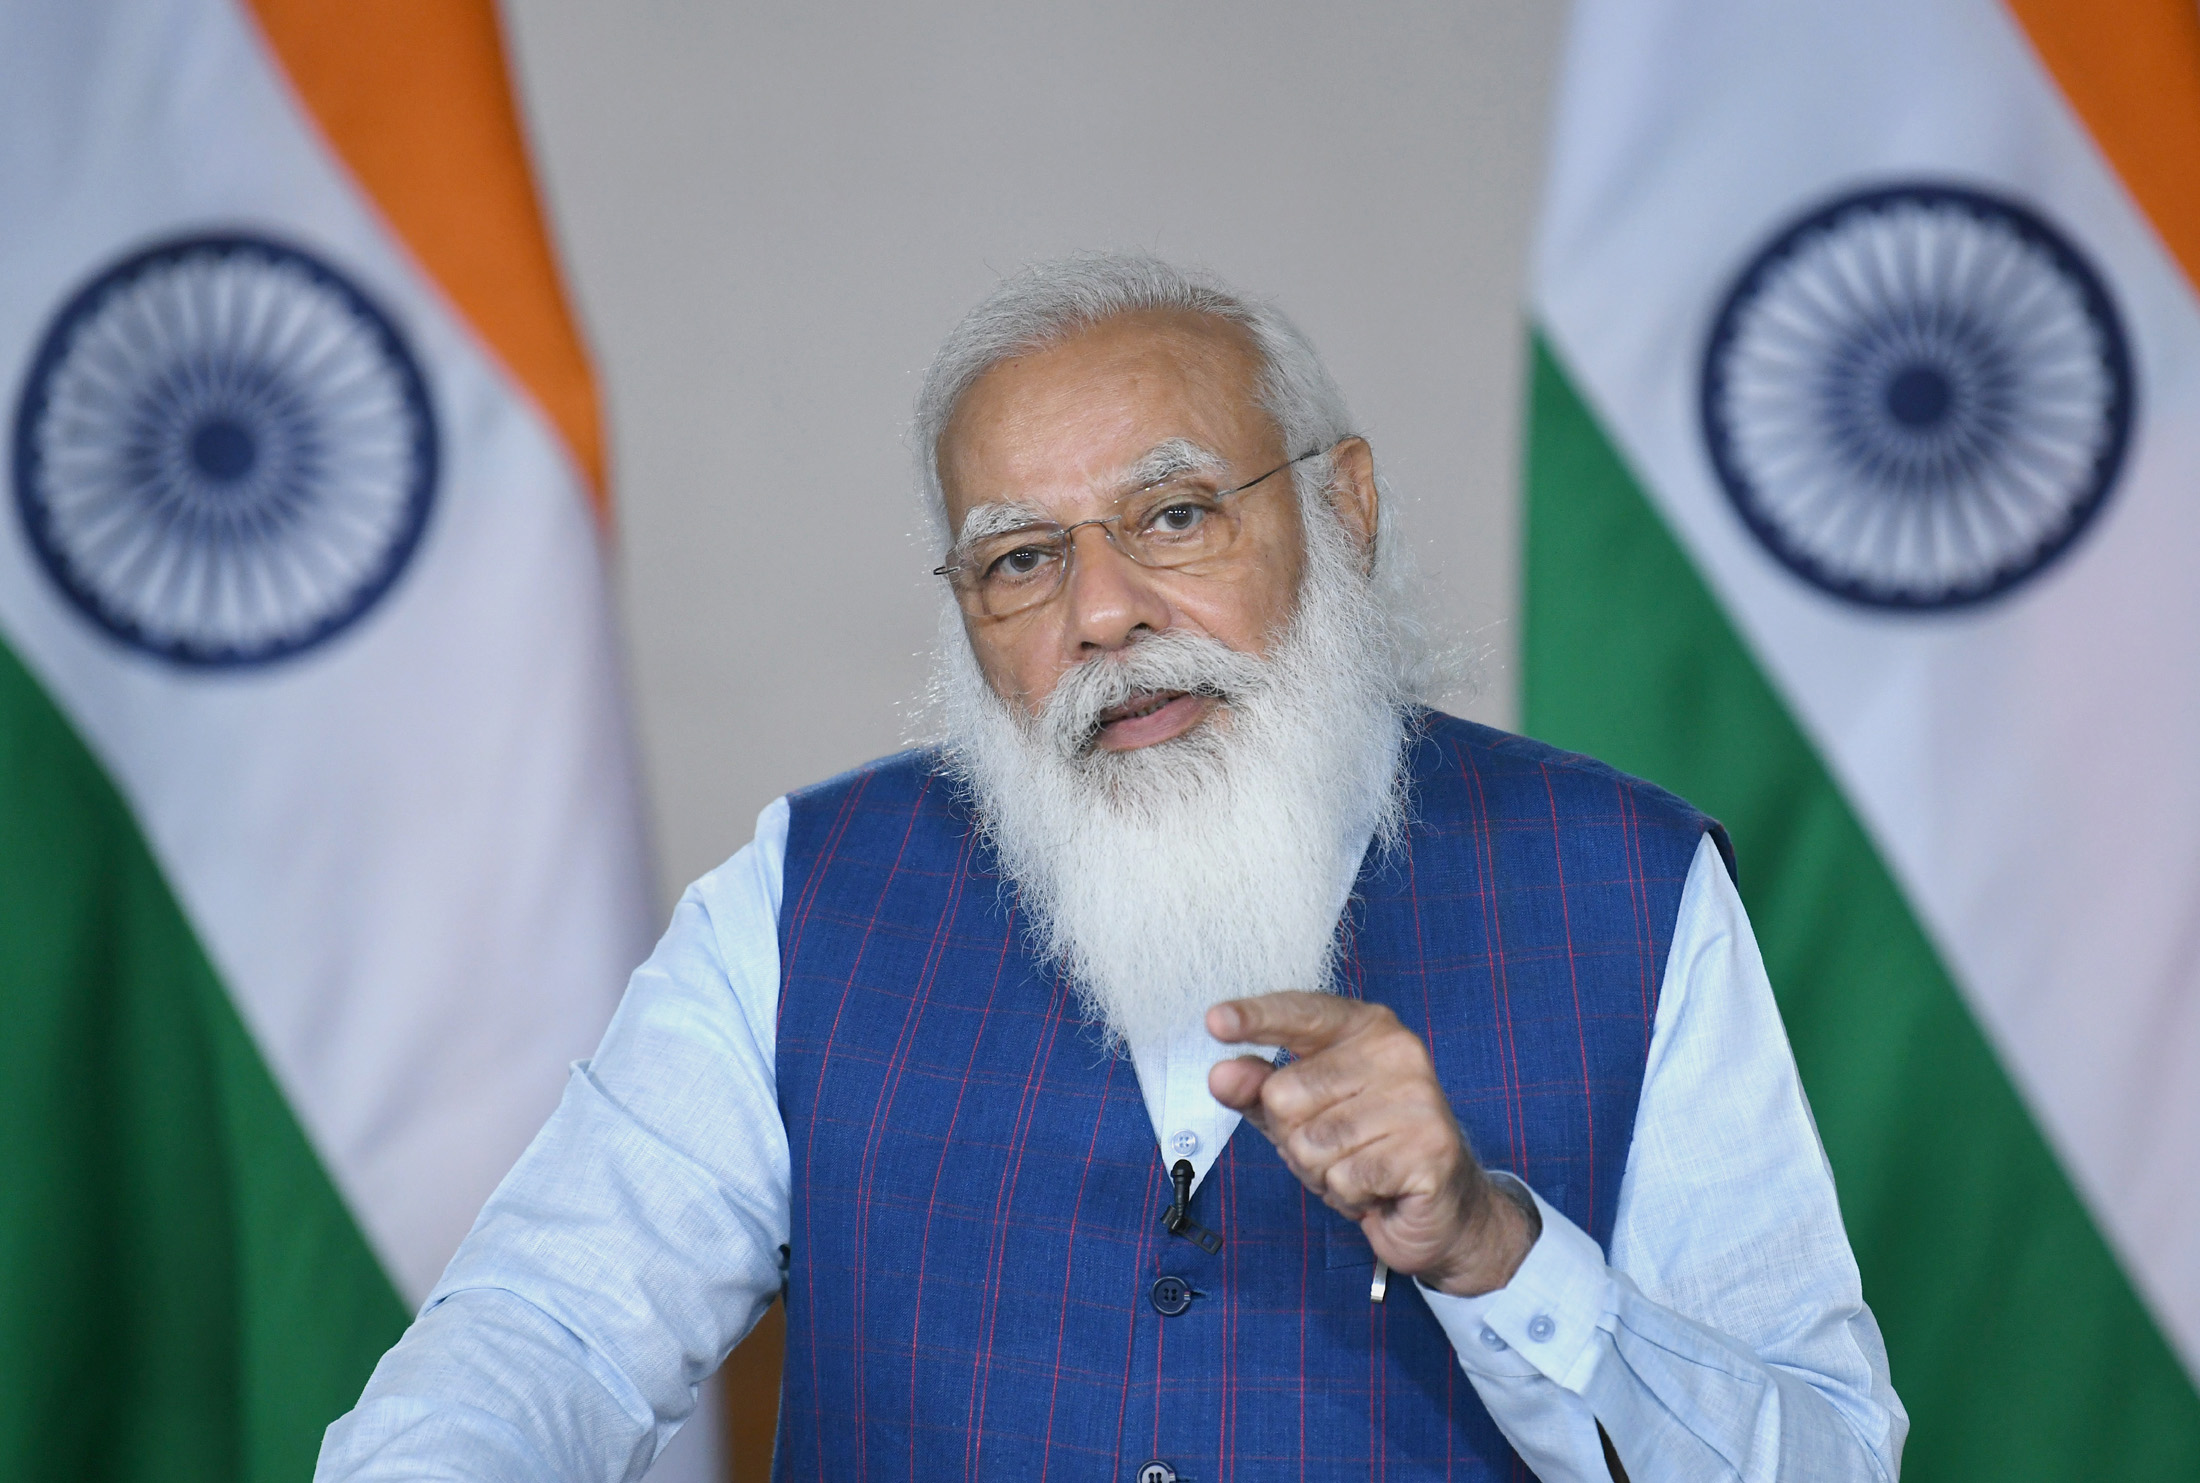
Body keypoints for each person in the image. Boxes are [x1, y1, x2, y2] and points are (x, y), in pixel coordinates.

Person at [316, 254, 1905, 1482]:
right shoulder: (812, 900)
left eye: (1174, 516)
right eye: (1021, 558)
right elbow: (546, 1335)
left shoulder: (1624, 887)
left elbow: (1830, 1460)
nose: (1102, 614)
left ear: (1342, 511)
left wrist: (1495, 1251)